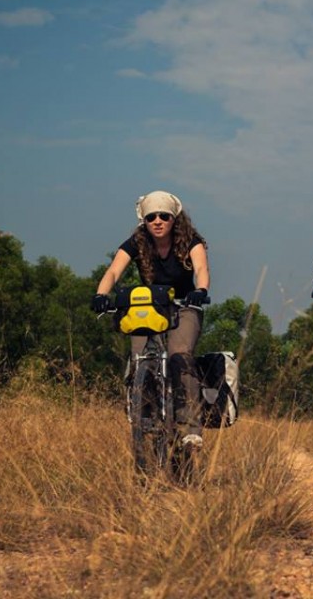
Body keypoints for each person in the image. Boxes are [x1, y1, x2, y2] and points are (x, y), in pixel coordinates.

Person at [91, 190, 210, 448]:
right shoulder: (138, 241)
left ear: (174, 219)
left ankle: (191, 427)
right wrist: (101, 294)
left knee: (180, 355)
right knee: (140, 357)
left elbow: (201, 269)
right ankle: (143, 413)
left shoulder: (190, 240)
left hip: (184, 305)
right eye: (151, 217)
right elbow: (113, 270)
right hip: (150, 306)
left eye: (164, 216)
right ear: (143, 220)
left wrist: (200, 291)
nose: (157, 221)